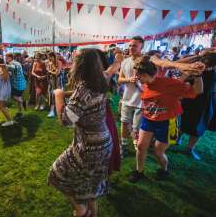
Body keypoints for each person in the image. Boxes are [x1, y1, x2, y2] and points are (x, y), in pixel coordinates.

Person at [48, 48, 113, 217]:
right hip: (104, 143)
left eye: (75, 60)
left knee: (58, 173)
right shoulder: (101, 81)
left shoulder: (83, 90)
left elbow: (66, 120)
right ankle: (90, 212)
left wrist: (59, 95)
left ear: (81, 66)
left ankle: (81, 210)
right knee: (89, 183)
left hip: (89, 147)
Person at [128, 57, 203, 183]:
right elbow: (155, 60)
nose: (136, 77)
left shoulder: (168, 83)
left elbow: (198, 91)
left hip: (167, 122)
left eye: (138, 75)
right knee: (141, 146)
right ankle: (139, 171)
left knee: (158, 152)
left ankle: (164, 170)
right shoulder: (145, 83)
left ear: (146, 75)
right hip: (148, 119)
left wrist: (198, 75)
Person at [179, 52, 216, 160]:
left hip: (206, 101)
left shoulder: (212, 68)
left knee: (200, 125)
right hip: (194, 100)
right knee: (188, 122)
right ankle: (180, 140)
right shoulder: (197, 69)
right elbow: (184, 81)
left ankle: (188, 148)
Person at [117, 36, 144, 157]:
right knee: (124, 122)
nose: (131, 48)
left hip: (141, 100)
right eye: (130, 45)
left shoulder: (145, 62)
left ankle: (138, 145)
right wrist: (129, 79)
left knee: (136, 126)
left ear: (141, 47)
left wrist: (139, 83)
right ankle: (123, 146)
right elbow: (119, 79)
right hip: (127, 98)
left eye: (135, 46)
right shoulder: (125, 61)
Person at [5, 53, 26, 119]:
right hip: (22, 83)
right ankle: (20, 113)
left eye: (6, 57)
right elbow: (13, 72)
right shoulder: (17, 63)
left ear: (10, 57)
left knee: (12, 96)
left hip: (17, 85)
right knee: (18, 97)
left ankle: (22, 102)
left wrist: (4, 66)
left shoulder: (12, 64)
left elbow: (12, 68)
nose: (6, 59)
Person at [46, 52, 61, 118]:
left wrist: (49, 71)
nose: (49, 58)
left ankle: (54, 110)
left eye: (50, 57)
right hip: (51, 81)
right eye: (48, 57)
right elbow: (50, 73)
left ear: (54, 57)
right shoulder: (49, 63)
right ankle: (52, 110)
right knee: (50, 94)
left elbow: (57, 73)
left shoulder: (59, 63)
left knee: (55, 94)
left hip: (57, 81)